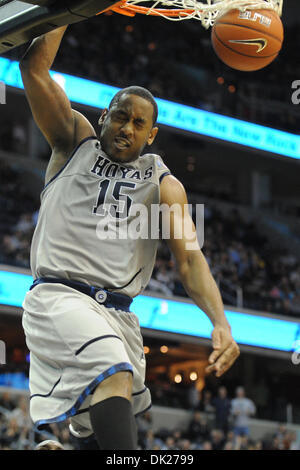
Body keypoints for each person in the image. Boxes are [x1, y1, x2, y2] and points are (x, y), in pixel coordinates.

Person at [20, 23, 240, 450]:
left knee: (99, 425)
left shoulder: (163, 186)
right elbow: (34, 69)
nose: (127, 127)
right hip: (59, 297)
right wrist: (67, 12)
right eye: (120, 116)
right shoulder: (73, 143)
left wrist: (220, 322)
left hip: (119, 314)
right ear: (105, 116)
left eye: (139, 123)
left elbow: (190, 261)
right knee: (114, 371)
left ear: (151, 135)